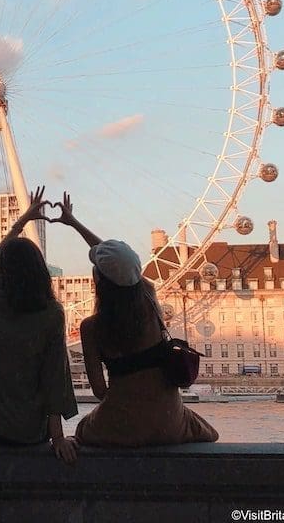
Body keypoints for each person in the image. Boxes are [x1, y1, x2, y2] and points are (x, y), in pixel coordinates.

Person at [54, 192, 218, 447]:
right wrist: (75, 222)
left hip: (120, 425)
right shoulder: (150, 300)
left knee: (83, 428)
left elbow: (99, 391)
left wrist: (72, 224)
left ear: (99, 282)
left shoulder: (92, 328)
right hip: (168, 422)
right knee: (207, 430)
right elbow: (123, 267)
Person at [0, 186, 79, 463]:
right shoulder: (51, 315)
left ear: (3, 272)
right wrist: (58, 437)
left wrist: (23, 219)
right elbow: (54, 377)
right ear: (41, 271)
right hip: (25, 433)